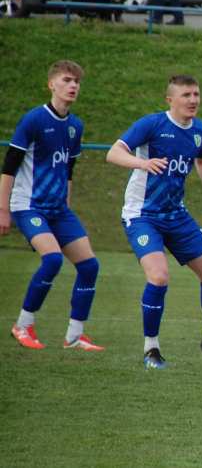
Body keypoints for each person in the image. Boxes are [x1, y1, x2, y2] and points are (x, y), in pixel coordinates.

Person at [105, 75, 202, 371]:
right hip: (143, 215)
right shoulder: (152, 124)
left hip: (176, 215)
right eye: (186, 95)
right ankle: (151, 349)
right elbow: (113, 153)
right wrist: (142, 163)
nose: (193, 100)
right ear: (170, 100)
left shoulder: (200, 131)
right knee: (158, 276)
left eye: (196, 94)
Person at [1, 61, 103, 352]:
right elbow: (9, 167)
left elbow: (68, 170)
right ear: (52, 84)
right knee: (53, 260)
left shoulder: (75, 126)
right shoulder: (33, 120)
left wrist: (66, 206)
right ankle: (22, 325)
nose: (73, 86)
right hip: (28, 206)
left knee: (90, 266)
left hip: (58, 210)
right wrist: (3, 210)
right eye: (67, 80)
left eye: (77, 82)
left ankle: (74, 336)